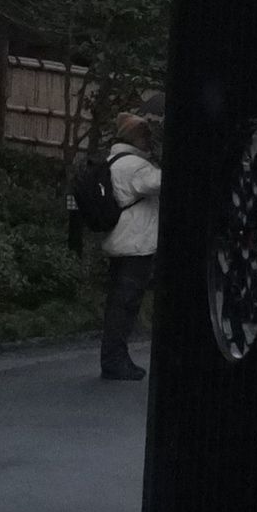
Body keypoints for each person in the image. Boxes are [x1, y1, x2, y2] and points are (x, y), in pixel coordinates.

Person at [96, 111, 163, 381]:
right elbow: (162, 182)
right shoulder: (135, 167)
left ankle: (113, 358)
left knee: (117, 304)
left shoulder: (114, 160)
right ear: (138, 139)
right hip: (136, 245)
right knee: (125, 306)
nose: (150, 142)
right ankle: (115, 361)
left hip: (119, 241)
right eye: (147, 137)